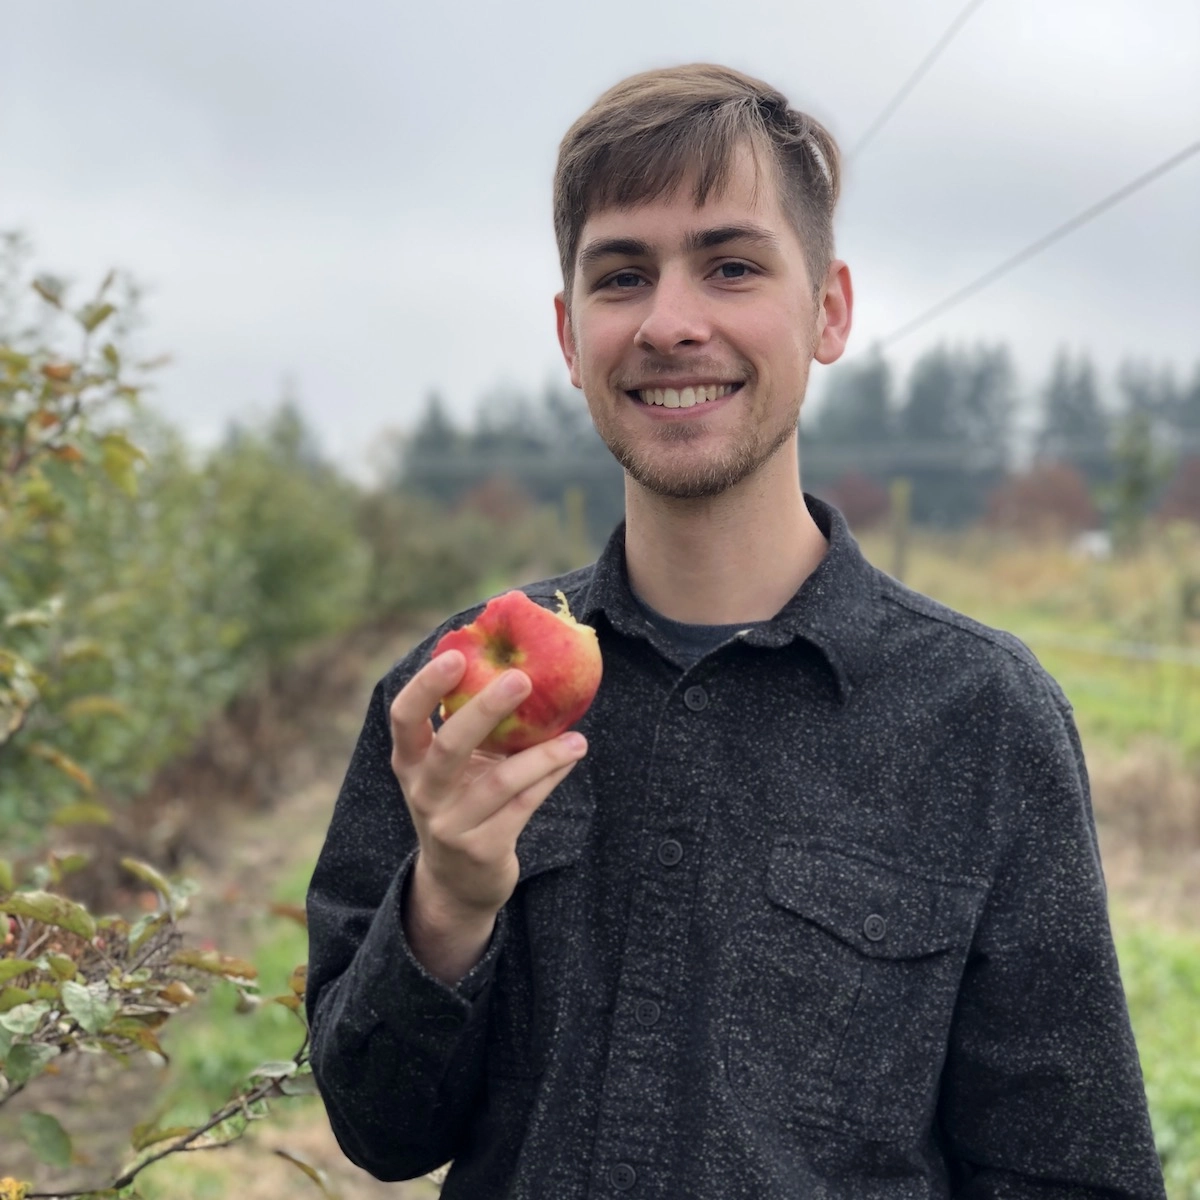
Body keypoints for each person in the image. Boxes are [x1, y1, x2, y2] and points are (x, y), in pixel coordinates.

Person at [306, 63, 1166, 1199]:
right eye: (622, 276)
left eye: (732, 265)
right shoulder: (456, 700)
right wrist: (451, 902)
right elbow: (381, 1130)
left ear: (829, 311)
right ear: (571, 337)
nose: (670, 322)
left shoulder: (983, 719)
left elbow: (1067, 1168)